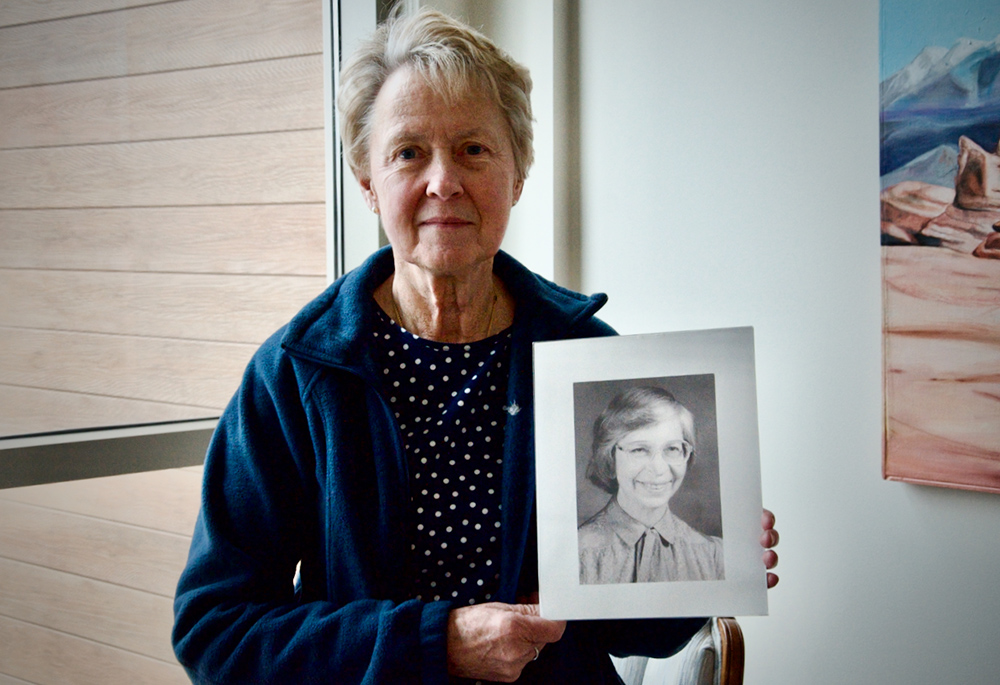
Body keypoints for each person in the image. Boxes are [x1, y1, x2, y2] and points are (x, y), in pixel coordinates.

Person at [172, 8, 779, 683]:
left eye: (473, 149)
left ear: (516, 175)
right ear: (369, 183)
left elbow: (632, 625)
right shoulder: (298, 374)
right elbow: (216, 631)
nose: (443, 181)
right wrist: (438, 641)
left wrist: (704, 568)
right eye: (409, 152)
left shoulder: (585, 356)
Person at [579, 386, 724, 584]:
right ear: (610, 458)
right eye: (639, 450)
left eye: (672, 448)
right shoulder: (578, 553)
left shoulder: (712, 555)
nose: (658, 468)